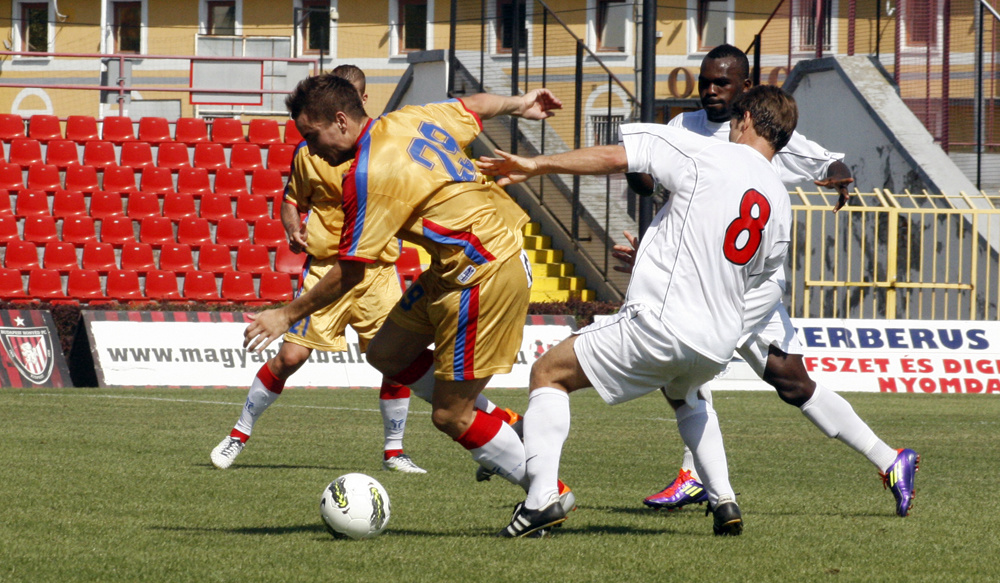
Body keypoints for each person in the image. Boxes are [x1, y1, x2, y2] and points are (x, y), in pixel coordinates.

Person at [241, 73, 576, 513]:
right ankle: (503, 427)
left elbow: (351, 272)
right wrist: (520, 103)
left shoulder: (369, 174)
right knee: (387, 353)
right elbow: (473, 105)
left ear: (341, 121)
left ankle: (547, 494)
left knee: (449, 417)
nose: (312, 148)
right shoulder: (410, 118)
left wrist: (285, 315)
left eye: (312, 135)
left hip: (485, 269)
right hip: (455, 263)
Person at [478, 84, 797, 537]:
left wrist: (536, 163)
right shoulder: (781, 202)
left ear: (744, 120)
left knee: (549, 373)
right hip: (716, 341)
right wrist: (654, 254)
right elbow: (749, 270)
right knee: (687, 397)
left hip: (664, 325)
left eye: (733, 121)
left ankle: (540, 501)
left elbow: (617, 156)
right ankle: (724, 500)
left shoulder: (703, 151)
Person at [626, 45, 919, 518]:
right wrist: (639, 174)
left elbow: (828, 163)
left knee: (687, 369)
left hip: (746, 285)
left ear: (745, 88)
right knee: (792, 382)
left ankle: (697, 477)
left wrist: (840, 179)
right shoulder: (683, 128)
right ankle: (892, 459)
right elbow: (652, 187)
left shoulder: (761, 132)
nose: (710, 91)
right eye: (705, 82)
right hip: (712, 278)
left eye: (721, 83)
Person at [211, 65, 426, 473]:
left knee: (398, 360)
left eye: (362, 97)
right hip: (329, 270)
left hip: (378, 271)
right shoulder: (311, 151)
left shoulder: (386, 146)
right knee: (290, 357)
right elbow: (292, 200)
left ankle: (394, 452)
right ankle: (238, 434)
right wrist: (293, 228)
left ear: (364, 102)